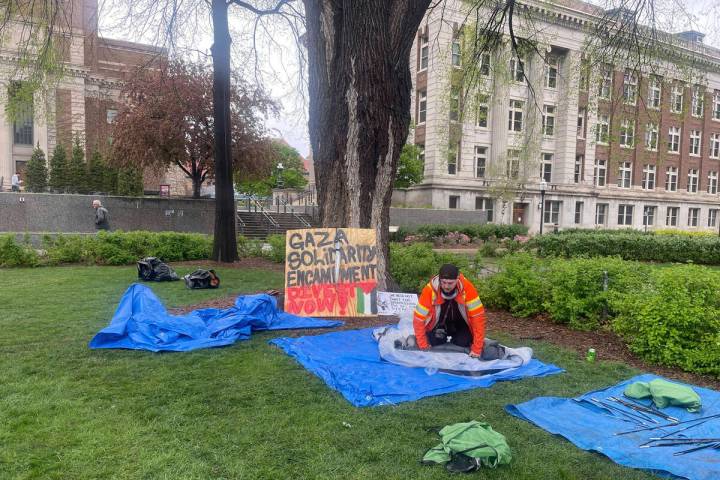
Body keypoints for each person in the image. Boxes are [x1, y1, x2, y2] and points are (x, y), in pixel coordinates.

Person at [412, 263, 486, 358]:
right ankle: (441, 336)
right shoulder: (429, 290)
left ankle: (456, 337)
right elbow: (418, 319)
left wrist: (477, 349)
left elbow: (478, 318)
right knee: (433, 341)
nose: (446, 286)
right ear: (439, 280)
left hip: (460, 323)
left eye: (450, 283)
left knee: (464, 341)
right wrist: (423, 345)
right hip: (438, 324)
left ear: (457, 279)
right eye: (443, 282)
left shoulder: (468, 288)